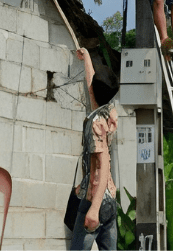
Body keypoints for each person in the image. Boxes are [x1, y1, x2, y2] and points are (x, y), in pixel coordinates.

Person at [69, 48, 119, 250]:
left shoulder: (95, 123)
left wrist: (94, 209)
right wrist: (87, 57)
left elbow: (104, 161)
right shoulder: (109, 111)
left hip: (94, 198)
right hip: (110, 197)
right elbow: (93, 87)